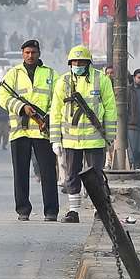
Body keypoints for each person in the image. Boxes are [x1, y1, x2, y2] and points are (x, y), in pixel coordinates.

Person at [50, 45, 116, 224]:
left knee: (96, 176)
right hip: (71, 140)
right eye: (74, 62)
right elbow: (55, 111)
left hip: (95, 139)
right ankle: (73, 211)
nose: (77, 64)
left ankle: (99, 210)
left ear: (88, 63)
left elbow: (110, 108)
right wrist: (55, 139)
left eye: (81, 62)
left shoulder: (101, 79)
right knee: (71, 176)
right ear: (70, 63)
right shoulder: (63, 82)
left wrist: (110, 135)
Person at [0, 39, 59, 222]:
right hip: (20, 132)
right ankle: (23, 210)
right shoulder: (13, 74)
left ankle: (51, 211)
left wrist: (48, 117)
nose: (30, 56)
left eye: (33, 52)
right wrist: (21, 107)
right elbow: (3, 97)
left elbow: (59, 99)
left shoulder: (51, 74)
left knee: (48, 172)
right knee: (20, 172)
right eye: (27, 53)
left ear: (39, 53)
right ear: (22, 54)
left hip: (43, 131)